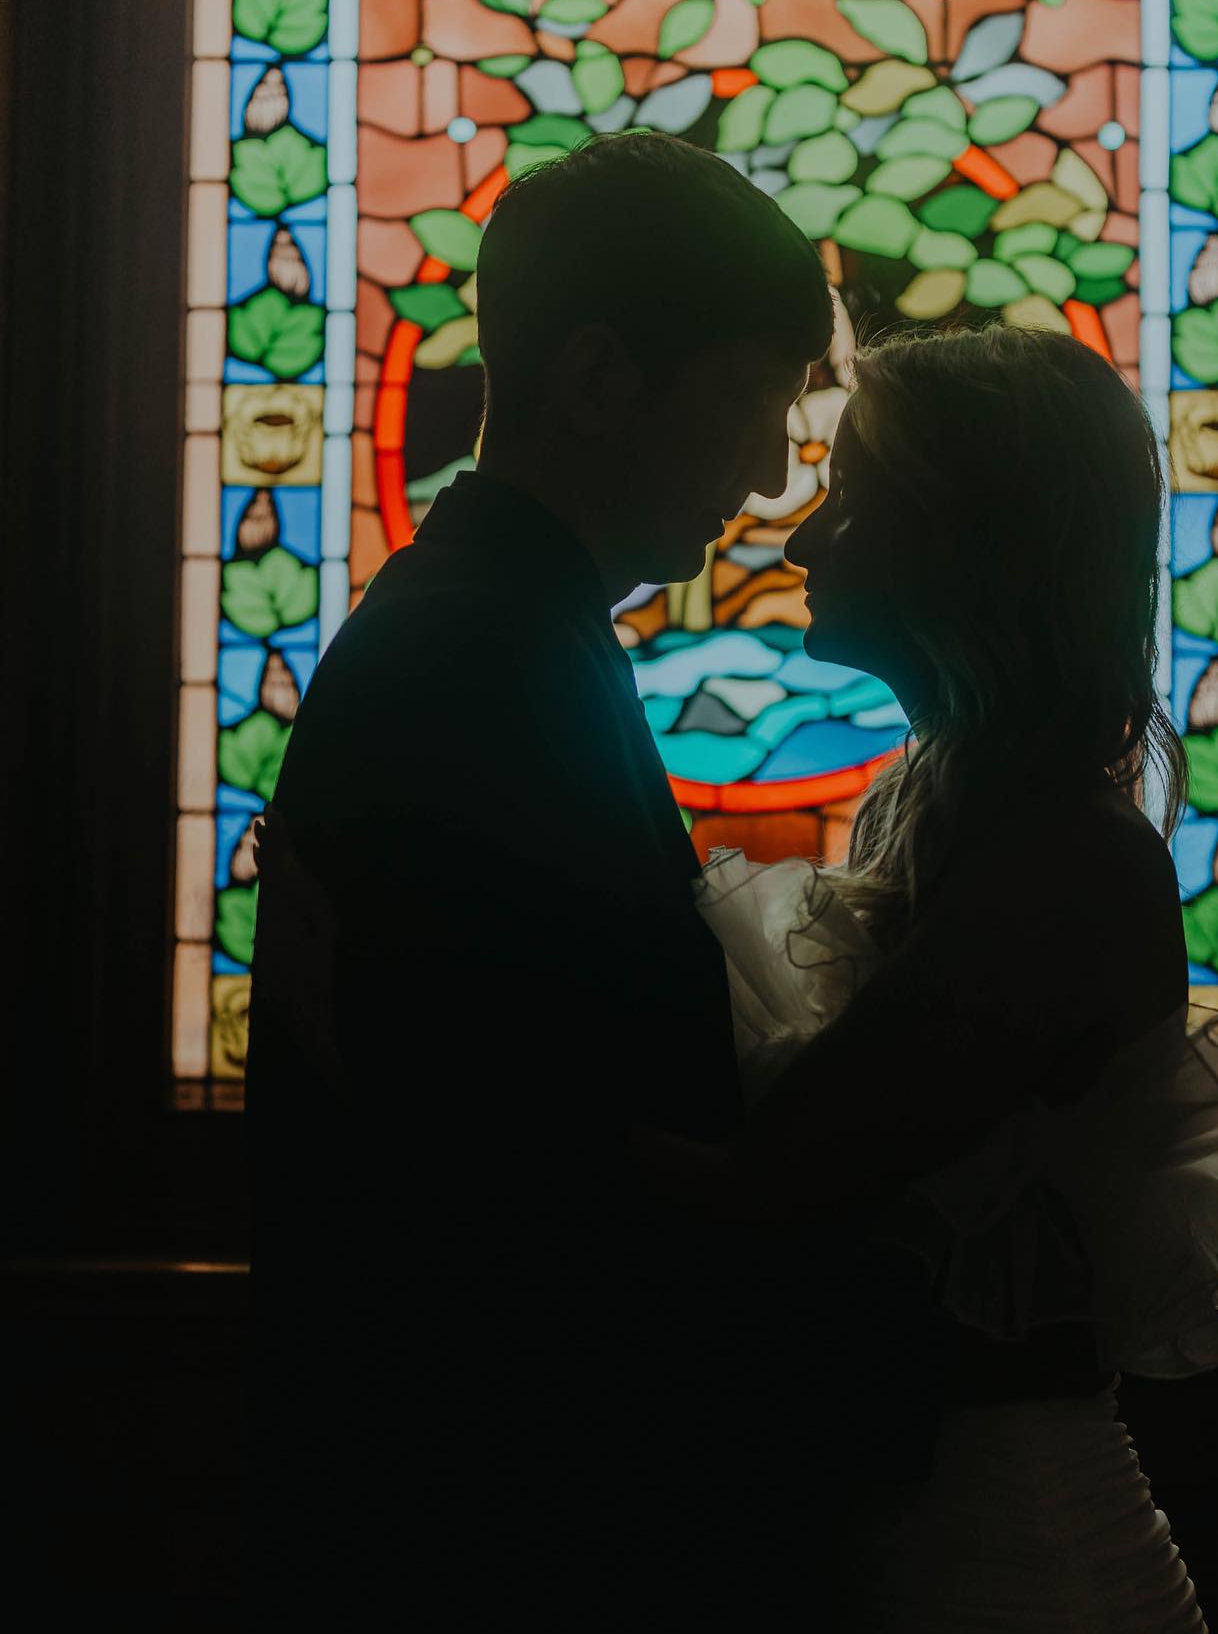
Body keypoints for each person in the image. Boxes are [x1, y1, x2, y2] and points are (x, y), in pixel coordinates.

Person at [242, 130, 935, 1626]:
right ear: (603, 378)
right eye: (758, 404)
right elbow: (524, 1178)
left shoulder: (500, 629)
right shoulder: (480, 666)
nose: (769, 480)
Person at [630, 323, 1218, 1631]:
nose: (800, 543)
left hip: (1012, 1567)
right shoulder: (964, 817)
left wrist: (426, 1048)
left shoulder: (1062, 868)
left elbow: (770, 1187)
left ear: (971, 543)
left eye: (851, 499)